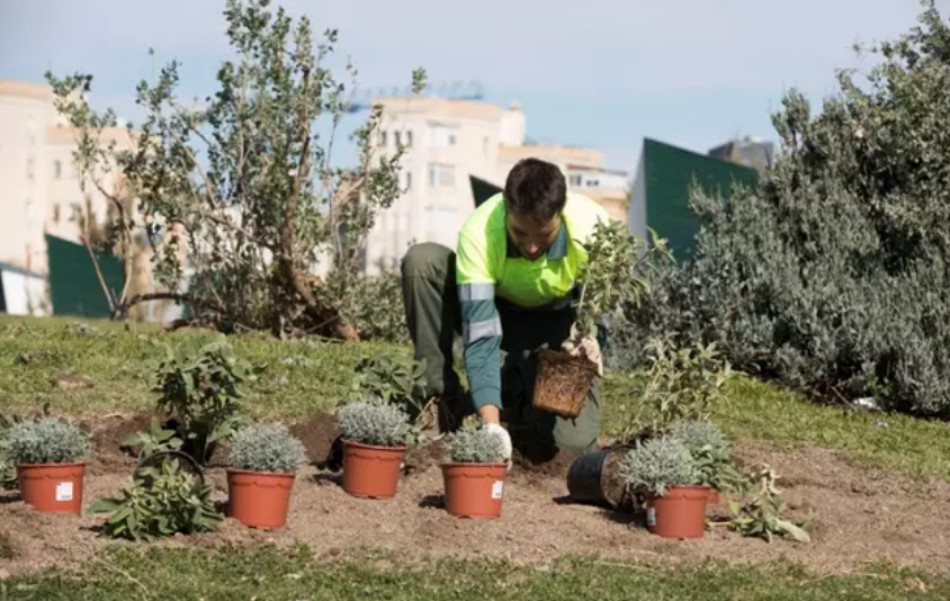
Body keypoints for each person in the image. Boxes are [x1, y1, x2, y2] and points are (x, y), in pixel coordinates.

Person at [400, 157, 609, 466]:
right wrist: (491, 426)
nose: (533, 247)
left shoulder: (594, 228)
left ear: (559, 215)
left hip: (558, 330)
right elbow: (481, 336)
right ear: (506, 209)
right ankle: (441, 399)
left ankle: (518, 389)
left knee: (571, 448)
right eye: (520, 233)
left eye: (544, 235)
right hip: (500, 317)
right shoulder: (481, 232)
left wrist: (591, 338)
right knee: (424, 262)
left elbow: (602, 308)